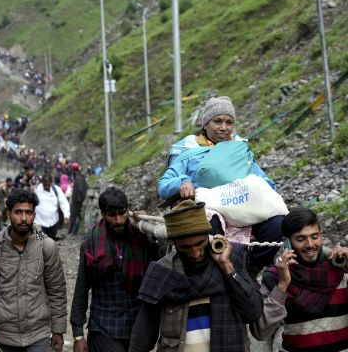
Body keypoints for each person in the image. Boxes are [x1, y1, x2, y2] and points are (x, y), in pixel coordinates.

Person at [158, 96, 283, 273]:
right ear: (206, 123)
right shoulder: (189, 150)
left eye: (229, 122)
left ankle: (251, 270)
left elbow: (265, 181)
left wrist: (260, 187)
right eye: (217, 121)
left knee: (277, 223)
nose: (224, 128)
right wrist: (183, 182)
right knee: (210, 222)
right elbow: (164, 184)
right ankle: (217, 270)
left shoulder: (239, 149)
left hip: (242, 204)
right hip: (208, 208)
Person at [129, 199, 263, 352]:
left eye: (200, 243)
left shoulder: (233, 260)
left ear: (208, 236)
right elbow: (143, 335)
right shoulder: (162, 273)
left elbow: (253, 312)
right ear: (174, 243)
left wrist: (227, 268)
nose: (195, 253)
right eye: (186, 247)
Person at [0, 189, 67, 352]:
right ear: (8, 214)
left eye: (28, 212)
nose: (24, 218)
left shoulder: (46, 247)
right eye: (18, 212)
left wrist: (58, 329)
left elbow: (57, 290)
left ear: (34, 214)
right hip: (1, 336)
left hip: (38, 335)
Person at [70, 187, 159, 352]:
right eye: (112, 215)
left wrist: (149, 226)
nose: (118, 220)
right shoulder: (91, 243)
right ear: (103, 214)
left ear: (128, 210)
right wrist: (78, 334)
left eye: (122, 213)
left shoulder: (142, 237)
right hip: (104, 325)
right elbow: (81, 287)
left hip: (137, 325)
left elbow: (161, 265)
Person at [251, 208, 348, 351]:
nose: (309, 244)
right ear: (288, 242)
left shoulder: (340, 266)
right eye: (300, 239)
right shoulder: (276, 276)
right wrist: (282, 285)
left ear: (321, 235)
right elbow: (260, 332)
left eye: (314, 236)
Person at [35, 174, 70, 240]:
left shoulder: (56, 190)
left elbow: (64, 202)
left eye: (48, 184)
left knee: (50, 242)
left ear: (51, 182)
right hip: (39, 223)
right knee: (40, 242)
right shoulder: (37, 190)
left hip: (53, 222)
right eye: (44, 185)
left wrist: (66, 215)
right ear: (42, 183)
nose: (46, 186)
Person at [69, 162, 88, 235]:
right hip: (78, 199)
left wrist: (80, 199)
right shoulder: (80, 177)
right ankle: (73, 231)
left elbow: (80, 189)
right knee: (78, 216)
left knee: (74, 215)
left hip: (78, 200)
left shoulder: (78, 178)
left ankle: (73, 232)